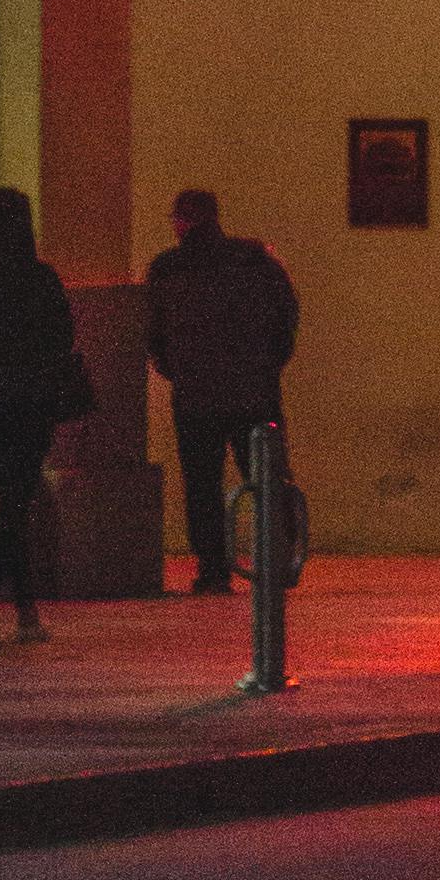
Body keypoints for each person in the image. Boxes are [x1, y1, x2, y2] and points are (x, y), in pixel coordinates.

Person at [141, 184, 299, 594]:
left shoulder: (167, 269)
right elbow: (286, 316)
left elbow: (153, 331)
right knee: (268, 477)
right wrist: (269, 364)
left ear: (180, 222)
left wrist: (176, 368)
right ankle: (282, 560)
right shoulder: (256, 261)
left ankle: (213, 570)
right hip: (255, 391)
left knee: (202, 485)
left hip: (196, 396)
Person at [0, 185, 80, 641]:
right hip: (31, 400)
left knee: (10, 504)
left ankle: (26, 612)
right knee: (16, 503)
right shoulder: (40, 278)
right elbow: (62, 337)